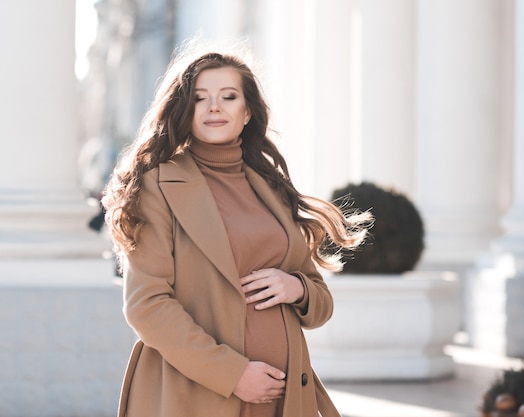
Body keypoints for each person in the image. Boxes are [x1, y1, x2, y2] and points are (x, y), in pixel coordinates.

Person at [102, 43, 370, 417]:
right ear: (184, 110)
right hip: (198, 395)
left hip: (282, 395)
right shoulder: (156, 186)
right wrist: (234, 374)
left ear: (246, 112)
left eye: (229, 96)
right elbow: (147, 306)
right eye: (200, 98)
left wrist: (297, 288)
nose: (215, 107)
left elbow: (320, 306)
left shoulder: (271, 188)